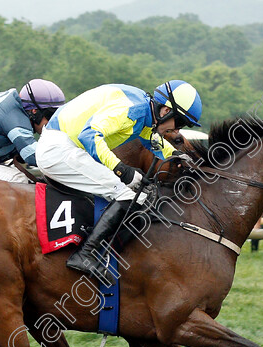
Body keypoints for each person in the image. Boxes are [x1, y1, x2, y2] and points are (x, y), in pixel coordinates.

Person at [36, 80, 201, 283]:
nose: (177, 131)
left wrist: (175, 154)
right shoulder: (131, 110)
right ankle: (85, 255)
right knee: (126, 194)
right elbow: (90, 135)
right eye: (180, 122)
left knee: (139, 192)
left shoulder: (143, 110)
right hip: (59, 150)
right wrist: (121, 170)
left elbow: (149, 138)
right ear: (166, 110)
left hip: (68, 147)